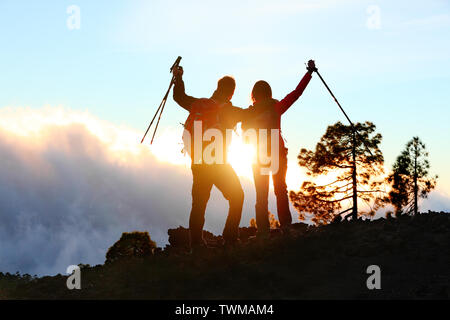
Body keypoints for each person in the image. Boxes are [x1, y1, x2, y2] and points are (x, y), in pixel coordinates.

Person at [172, 66, 248, 251]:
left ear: (217, 88)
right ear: (231, 93)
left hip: (198, 161)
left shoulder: (199, 104)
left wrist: (178, 77)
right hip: (219, 163)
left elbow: (179, 97)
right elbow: (250, 116)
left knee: (199, 203)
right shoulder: (230, 110)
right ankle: (230, 238)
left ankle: (196, 245)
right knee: (237, 196)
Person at [242, 60, 317, 238]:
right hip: (277, 153)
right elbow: (296, 94)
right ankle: (286, 227)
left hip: (258, 156)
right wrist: (309, 73)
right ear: (269, 93)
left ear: (254, 95)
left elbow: (243, 132)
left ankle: (262, 231)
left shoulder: (248, 113)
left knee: (261, 194)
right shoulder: (276, 108)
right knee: (280, 190)